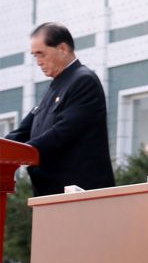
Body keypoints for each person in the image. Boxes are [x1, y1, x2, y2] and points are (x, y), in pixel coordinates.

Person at [6, 23, 115, 196]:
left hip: (79, 194)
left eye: (41, 54)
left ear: (63, 49)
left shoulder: (83, 81)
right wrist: (5, 149)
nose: (38, 62)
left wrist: (24, 153)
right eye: (34, 56)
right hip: (51, 193)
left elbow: (62, 133)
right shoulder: (54, 87)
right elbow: (24, 130)